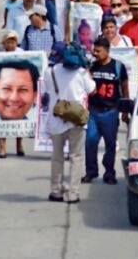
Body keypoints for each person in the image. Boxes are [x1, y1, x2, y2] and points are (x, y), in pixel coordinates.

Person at [46, 43, 95, 204]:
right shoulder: (81, 73)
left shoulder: (51, 72)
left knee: (57, 157)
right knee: (76, 157)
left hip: (56, 120)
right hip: (76, 120)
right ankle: (73, 194)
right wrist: (86, 69)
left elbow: (47, 91)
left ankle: (56, 191)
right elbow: (92, 89)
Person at [83, 38, 129, 185]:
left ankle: (109, 173)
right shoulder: (92, 66)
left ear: (107, 51)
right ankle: (91, 171)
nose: (95, 53)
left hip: (110, 111)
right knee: (90, 141)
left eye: (98, 51)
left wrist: (125, 109)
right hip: (94, 112)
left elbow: (125, 86)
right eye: (94, 50)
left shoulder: (117, 66)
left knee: (110, 145)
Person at [0, 32, 28, 158]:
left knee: (19, 118)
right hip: (4, 89)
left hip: (18, 90)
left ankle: (19, 145)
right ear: (4, 43)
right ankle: (2, 147)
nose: (11, 44)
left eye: (13, 42)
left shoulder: (22, 53)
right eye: (8, 42)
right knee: (3, 118)